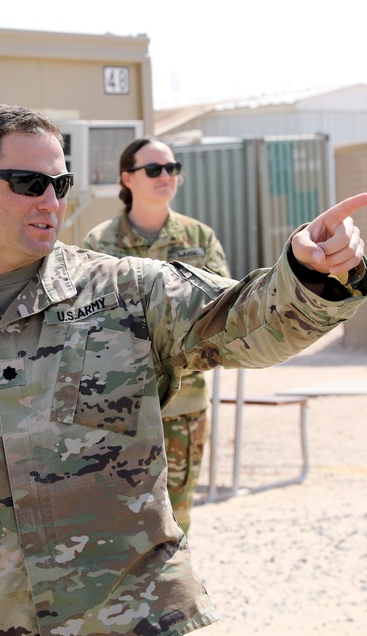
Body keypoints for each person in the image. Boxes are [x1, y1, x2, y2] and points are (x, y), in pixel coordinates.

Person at [0, 104, 367, 636]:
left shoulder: (127, 292)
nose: (51, 202)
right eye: (29, 183)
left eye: (61, 183)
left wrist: (308, 274)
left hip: (132, 617)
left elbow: (245, 321)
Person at [82, 137, 230, 537]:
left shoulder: (199, 239)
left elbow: (220, 315)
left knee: (177, 522)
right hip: (121, 409)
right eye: (154, 169)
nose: (166, 176)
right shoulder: (100, 244)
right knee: (119, 521)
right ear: (127, 178)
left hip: (183, 406)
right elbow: (87, 324)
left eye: (172, 168)